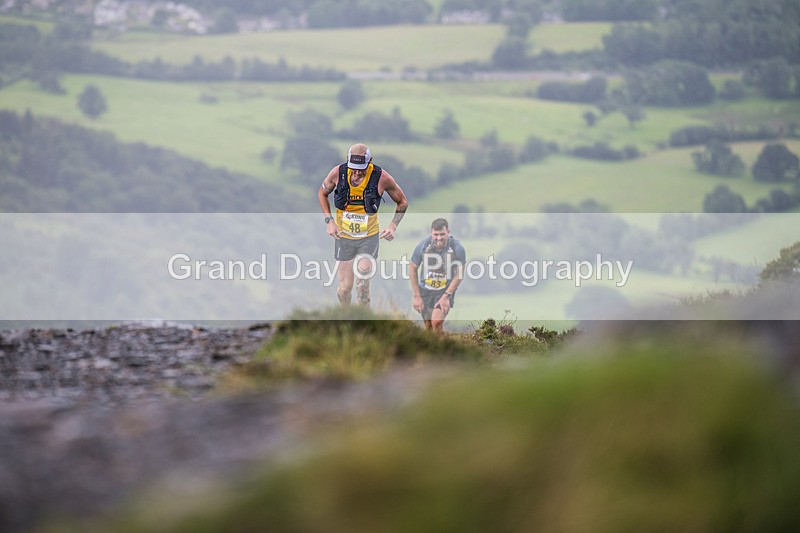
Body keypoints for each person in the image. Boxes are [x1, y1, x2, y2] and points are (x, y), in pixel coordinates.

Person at [318, 143, 408, 306]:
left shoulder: (382, 178)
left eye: (362, 168)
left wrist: (392, 226)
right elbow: (322, 194)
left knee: (362, 285)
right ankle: (347, 317)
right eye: (354, 168)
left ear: (370, 161)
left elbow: (402, 202)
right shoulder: (338, 173)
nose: (358, 172)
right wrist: (329, 221)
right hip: (344, 237)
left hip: (368, 237)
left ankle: (363, 319)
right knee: (344, 289)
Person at [410, 218, 466, 333]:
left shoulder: (457, 247)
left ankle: (444, 344)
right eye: (436, 234)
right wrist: (416, 296)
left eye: (442, 234)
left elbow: (459, 274)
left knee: (436, 322)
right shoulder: (423, 245)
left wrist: (446, 296)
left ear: (448, 232)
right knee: (429, 327)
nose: (439, 238)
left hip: (444, 290)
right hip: (425, 290)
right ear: (431, 233)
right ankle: (439, 343)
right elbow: (412, 268)